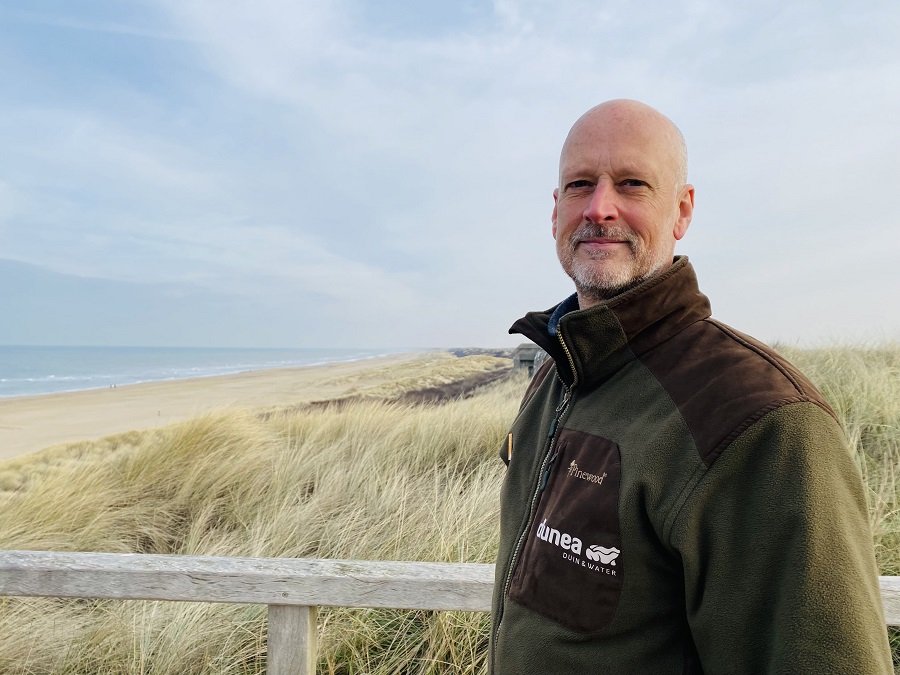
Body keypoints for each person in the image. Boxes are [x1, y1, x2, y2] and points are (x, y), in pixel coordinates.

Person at [490, 99, 892, 674]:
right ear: (556, 211)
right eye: (580, 185)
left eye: (632, 184)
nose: (600, 208)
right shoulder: (558, 373)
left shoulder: (761, 422)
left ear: (682, 211)